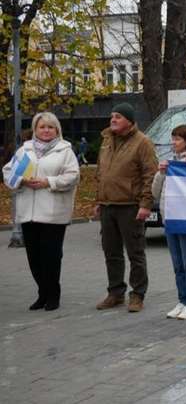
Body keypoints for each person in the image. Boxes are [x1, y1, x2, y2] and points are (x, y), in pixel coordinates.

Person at [3, 112, 80, 311]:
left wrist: (49, 182)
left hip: (53, 213)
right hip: (28, 212)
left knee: (51, 256)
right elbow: (8, 172)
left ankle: (53, 294)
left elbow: (73, 176)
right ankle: (42, 292)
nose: (46, 130)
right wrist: (22, 180)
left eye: (50, 127)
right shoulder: (24, 151)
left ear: (57, 130)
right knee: (34, 257)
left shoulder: (65, 151)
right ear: (35, 130)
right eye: (42, 127)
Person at [94, 103, 158, 313]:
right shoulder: (106, 140)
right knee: (111, 252)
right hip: (107, 205)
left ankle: (137, 294)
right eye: (112, 116)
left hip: (130, 206)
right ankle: (115, 293)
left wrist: (146, 204)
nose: (113, 119)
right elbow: (101, 173)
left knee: (135, 253)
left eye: (118, 117)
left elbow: (151, 175)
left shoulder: (143, 142)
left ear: (130, 121)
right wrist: (98, 200)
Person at [152, 125, 186, 320]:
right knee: (178, 264)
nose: (174, 143)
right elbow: (155, 192)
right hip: (170, 219)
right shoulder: (170, 161)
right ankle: (182, 300)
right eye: (173, 138)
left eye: (178, 139)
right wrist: (160, 173)